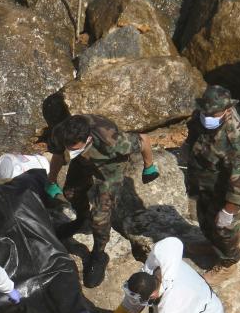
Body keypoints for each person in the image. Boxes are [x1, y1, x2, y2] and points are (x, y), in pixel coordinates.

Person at [45, 114, 159, 288]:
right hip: (83, 160)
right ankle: (82, 220)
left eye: (73, 147)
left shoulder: (114, 141)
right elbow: (59, 154)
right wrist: (52, 181)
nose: (68, 149)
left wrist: (149, 166)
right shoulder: (63, 133)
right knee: (71, 194)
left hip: (110, 167)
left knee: (100, 216)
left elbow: (143, 140)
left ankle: (99, 254)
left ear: (88, 139)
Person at [185, 84, 240, 267]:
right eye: (205, 113)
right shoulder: (201, 115)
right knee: (204, 217)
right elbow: (194, 139)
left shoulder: (237, 138)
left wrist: (228, 210)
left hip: (224, 185)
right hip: (204, 179)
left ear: (227, 110)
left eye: (214, 115)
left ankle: (228, 261)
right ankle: (213, 245)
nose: (208, 118)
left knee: (223, 227)